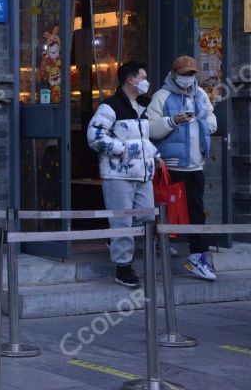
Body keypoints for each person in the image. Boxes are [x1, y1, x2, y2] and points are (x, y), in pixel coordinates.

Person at [87, 61, 161, 288]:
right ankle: (123, 267)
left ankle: (116, 239)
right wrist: (120, 150)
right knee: (122, 220)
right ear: (131, 79)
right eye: (143, 76)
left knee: (147, 216)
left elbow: (142, 139)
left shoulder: (143, 106)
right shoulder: (110, 107)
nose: (146, 81)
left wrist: (155, 154)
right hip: (118, 175)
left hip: (143, 174)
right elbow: (95, 136)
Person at [147, 55, 218, 281]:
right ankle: (163, 242)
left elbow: (211, 120)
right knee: (167, 210)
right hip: (171, 165)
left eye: (191, 74)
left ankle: (197, 256)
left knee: (196, 210)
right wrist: (173, 121)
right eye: (184, 74)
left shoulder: (201, 94)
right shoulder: (162, 96)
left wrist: (203, 122)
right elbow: (149, 129)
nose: (188, 78)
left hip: (196, 164)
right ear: (174, 74)